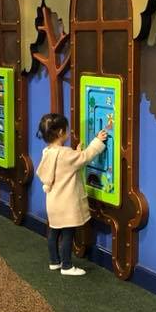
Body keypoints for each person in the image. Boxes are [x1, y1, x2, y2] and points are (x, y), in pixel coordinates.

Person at [35, 113, 108, 276]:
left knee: (54, 232)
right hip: (66, 204)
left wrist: (76, 152)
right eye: (66, 130)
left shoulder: (48, 152)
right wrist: (98, 141)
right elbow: (84, 158)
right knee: (68, 234)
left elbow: (68, 165)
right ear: (61, 132)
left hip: (53, 203)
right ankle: (67, 266)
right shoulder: (65, 153)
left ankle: (54, 261)